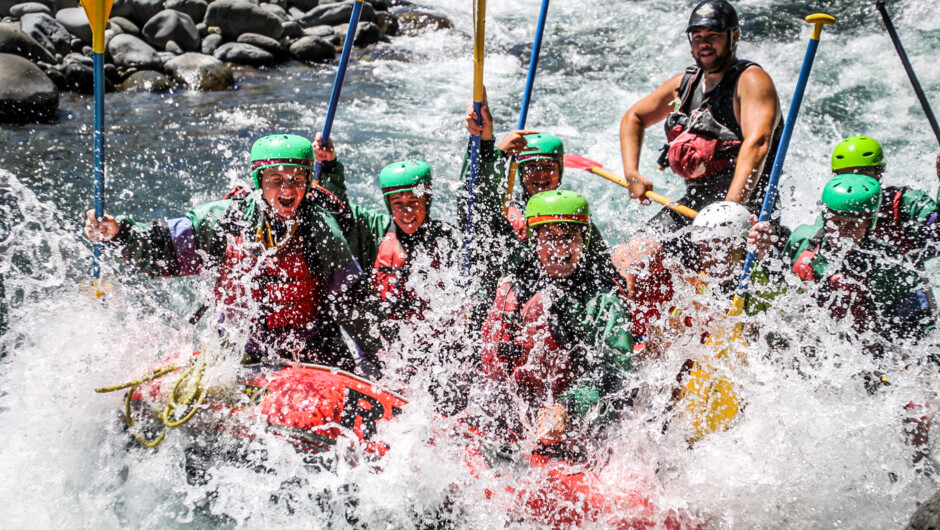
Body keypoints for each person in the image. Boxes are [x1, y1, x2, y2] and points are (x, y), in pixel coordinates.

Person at [83, 134, 388, 374]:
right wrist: (119, 232)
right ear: (259, 183)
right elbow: (167, 246)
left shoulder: (320, 230)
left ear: (307, 184)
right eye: (276, 181)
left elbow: (354, 302)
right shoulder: (227, 219)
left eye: (296, 180)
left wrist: (384, 360)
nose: (287, 190)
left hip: (311, 348)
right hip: (242, 348)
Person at [618, 0, 781, 261]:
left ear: (734, 36)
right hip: (695, 204)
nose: (704, 43)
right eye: (697, 37)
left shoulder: (751, 81)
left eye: (713, 36)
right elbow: (633, 117)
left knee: (715, 274)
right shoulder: (685, 84)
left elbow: (758, 141)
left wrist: (730, 212)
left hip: (748, 210)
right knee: (631, 258)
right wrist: (632, 173)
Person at [479, 190, 634, 443]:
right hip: (504, 409)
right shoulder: (513, 278)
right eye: (550, 237)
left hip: (566, 426)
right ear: (533, 240)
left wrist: (569, 407)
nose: (560, 248)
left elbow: (618, 372)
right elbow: (479, 207)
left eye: (570, 237)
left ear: (584, 241)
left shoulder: (601, 299)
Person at [312, 135, 457, 323]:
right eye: (398, 203)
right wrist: (329, 166)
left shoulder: (448, 238)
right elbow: (338, 211)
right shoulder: (375, 230)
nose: (407, 212)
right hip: (389, 337)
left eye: (414, 202)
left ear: (427, 200)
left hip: (434, 336)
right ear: (388, 204)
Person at [781, 173, 932, 345]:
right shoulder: (801, 240)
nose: (843, 233)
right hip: (804, 341)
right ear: (825, 219)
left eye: (853, 224)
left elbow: (920, 328)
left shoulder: (890, 267)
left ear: (870, 225)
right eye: (836, 222)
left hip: (865, 355)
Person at [829, 135, 939, 263]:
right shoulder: (834, 210)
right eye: (846, 175)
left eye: (864, 173)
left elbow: (937, 233)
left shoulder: (908, 203)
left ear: (879, 172)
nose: (855, 182)